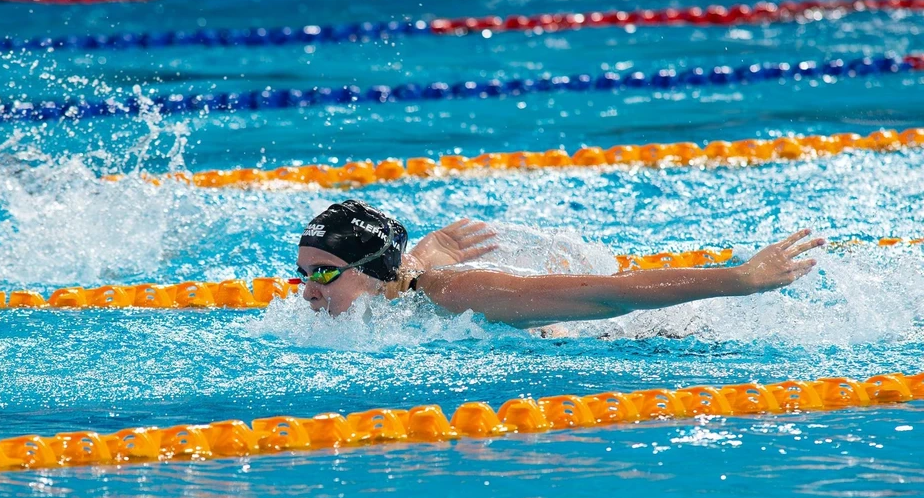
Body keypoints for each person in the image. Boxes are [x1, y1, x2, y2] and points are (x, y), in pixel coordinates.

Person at [296, 200, 825, 328]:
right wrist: (437, 245)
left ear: (370, 270)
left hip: (647, 334)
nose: (307, 292)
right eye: (302, 274)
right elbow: (408, 265)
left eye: (322, 273)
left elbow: (604, 293)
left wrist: (741, 279)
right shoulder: (399, 282)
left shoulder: (456, 294)